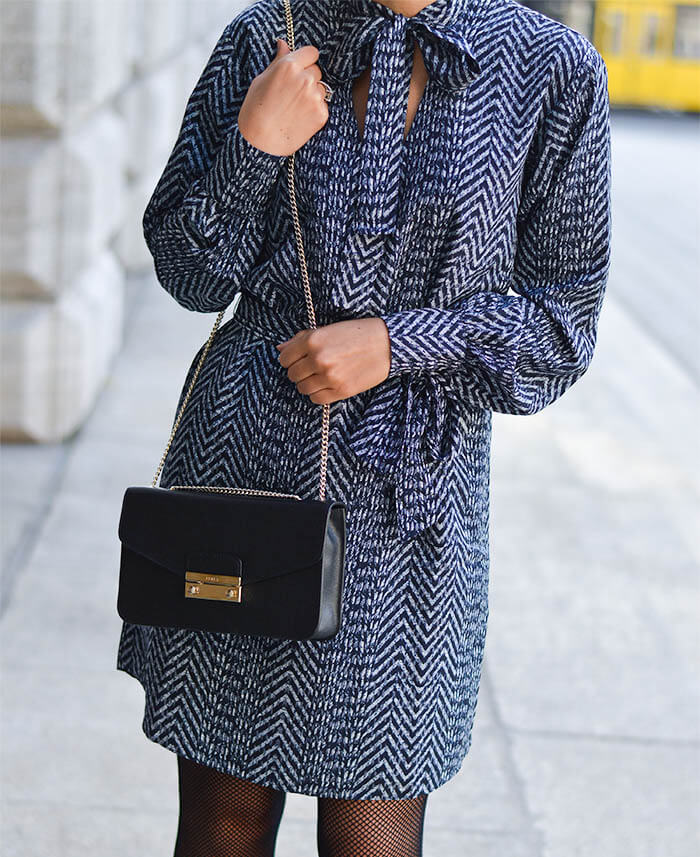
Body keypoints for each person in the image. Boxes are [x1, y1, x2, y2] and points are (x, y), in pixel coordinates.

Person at [116, 0, 612, 855]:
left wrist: (399, 342)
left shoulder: (550, 68)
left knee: (373, 837)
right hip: (246, 474)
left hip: (410, 513)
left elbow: (562, 327)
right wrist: (253, 147)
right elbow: (187, 272)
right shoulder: (266, 34)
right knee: (221, 822)